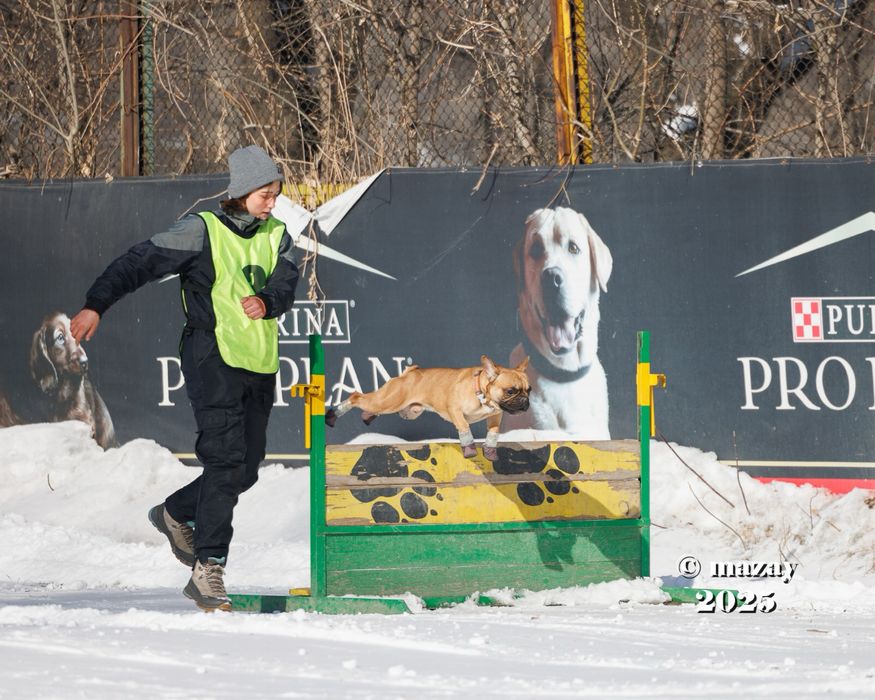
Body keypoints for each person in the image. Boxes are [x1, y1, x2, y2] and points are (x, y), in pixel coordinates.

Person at [71, 145, 299, 611]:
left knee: (246, 468)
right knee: (224, 459)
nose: (272, 201)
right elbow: (138, 262)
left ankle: (174, 512)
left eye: (276, 193)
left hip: (258, 361)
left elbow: (286, 281)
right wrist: (97, 303)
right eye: (264, 193)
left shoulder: (279, 234)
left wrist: (268, 301)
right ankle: (208, 568)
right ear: (240, 192)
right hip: (211, 356)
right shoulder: (201, 231)